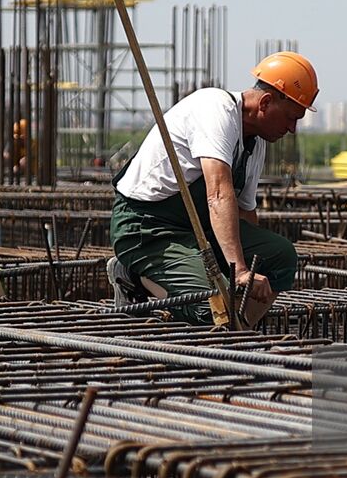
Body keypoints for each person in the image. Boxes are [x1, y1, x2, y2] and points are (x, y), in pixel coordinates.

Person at [108, 51, 316, 326]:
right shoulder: (215, 109)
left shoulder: (256, 143)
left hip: (198, 233)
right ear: (266, 102)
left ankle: (237, 333)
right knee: (211, 310)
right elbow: (218, 193)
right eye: (291, 117)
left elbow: (245, 214)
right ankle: (134, 276)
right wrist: (240, 271)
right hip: (148, 230)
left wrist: (252, 265)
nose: (292, 129)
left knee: (280, 255)